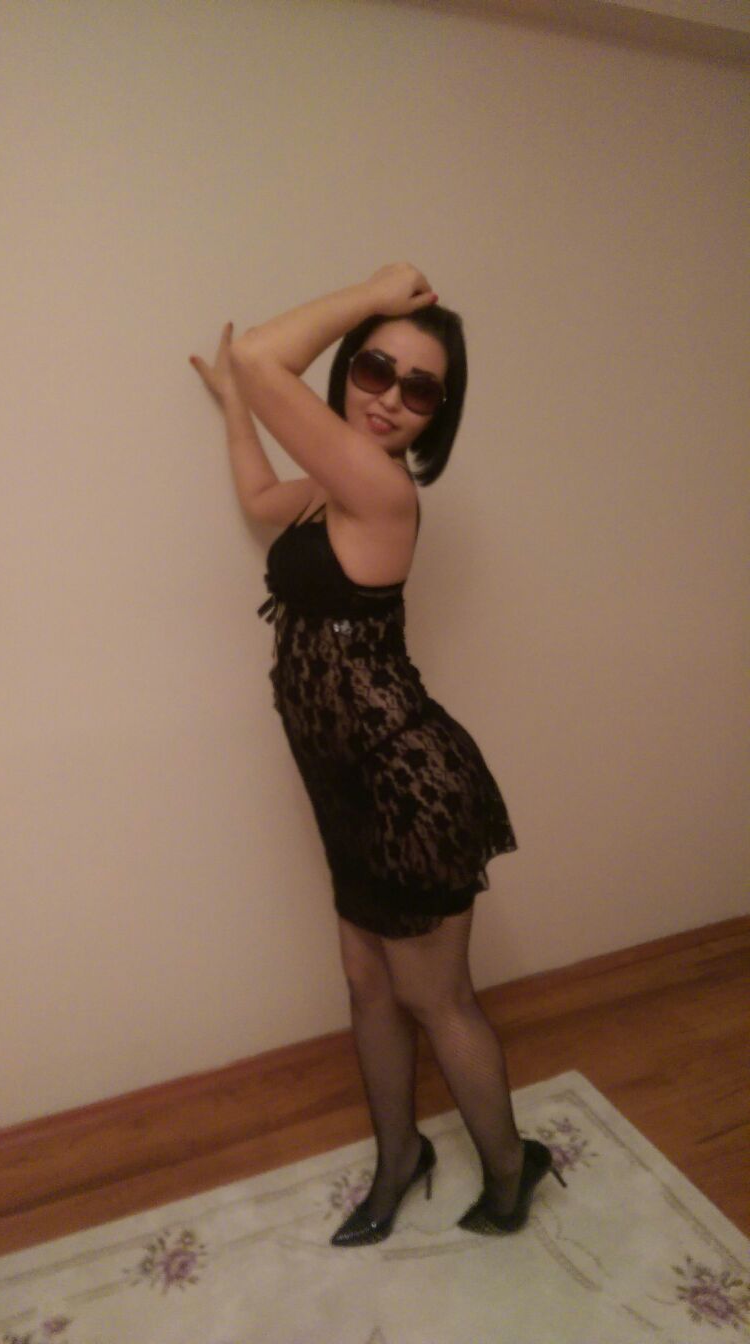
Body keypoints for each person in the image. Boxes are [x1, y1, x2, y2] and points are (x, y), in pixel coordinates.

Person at [190, 263, 562, 1247]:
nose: (390, 396)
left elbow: (261, 353)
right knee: (368, 988)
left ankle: (514, 1169)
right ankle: (401, 1158)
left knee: (436, 1000)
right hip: (349, 791)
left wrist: (373, 293)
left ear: (439, 413)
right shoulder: (335, 482)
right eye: (373, 369)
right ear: (348, 372)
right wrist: (235, 408)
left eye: (419, 387)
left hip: (407, 787)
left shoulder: (380, 486)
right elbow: (261, 495)